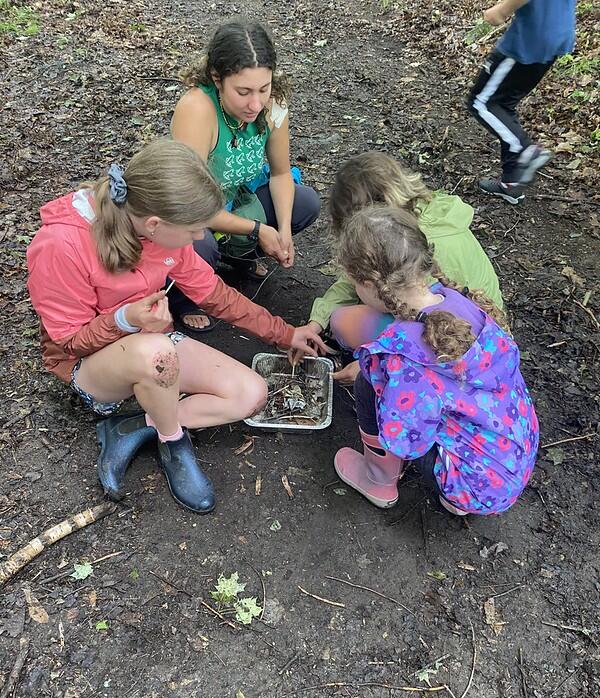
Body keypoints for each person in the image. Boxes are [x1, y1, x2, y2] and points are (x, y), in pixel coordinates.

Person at [26, 139, 327, 514]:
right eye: (193, 230)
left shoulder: (156, 231)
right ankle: (173, 442)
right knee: (156, 351)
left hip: (151, 342)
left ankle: (133, 426)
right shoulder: (60, 245)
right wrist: (126, 318)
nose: (200, 238)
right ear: (155, 224)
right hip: (91, 365)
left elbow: (214, 293)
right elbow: (68, 342)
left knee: (250, 394)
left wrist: (284, 333)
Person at [331, 206, 538, 516]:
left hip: (476, 486)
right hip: (513, 453)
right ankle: (457, 495)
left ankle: (378, 479)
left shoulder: (401, 355)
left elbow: (406, 442)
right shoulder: (457, 300)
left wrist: (377, 373)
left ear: (370, 285)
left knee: (366, 383)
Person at [169, 18, 321, 335]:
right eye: (243, 92)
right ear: (217, 78)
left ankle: (237, 260)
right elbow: (189, 204)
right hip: (191, 208)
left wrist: (282, 232)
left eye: (263, 89)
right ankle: (183, 300)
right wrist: (257, 229)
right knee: (198, 244)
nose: (255, 104)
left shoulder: (273, 105)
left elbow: (280, 173)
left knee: (304, 203)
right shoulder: (197, 109)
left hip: (235, 200)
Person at [304, 151, 503, 384]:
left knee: (343, 323)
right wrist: (317, 321)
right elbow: (354, 276)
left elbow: (439, 327)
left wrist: (370, 367)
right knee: (337, 317)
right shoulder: (408, 223)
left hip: (463, 338)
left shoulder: (421, 247)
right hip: (475, 324)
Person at [468, 0, 576, 204]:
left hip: (529, 39)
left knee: (481, 103)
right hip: (558, 34)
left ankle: (526, 151)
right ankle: (511, 184)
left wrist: (502, 9)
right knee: (503, 105)